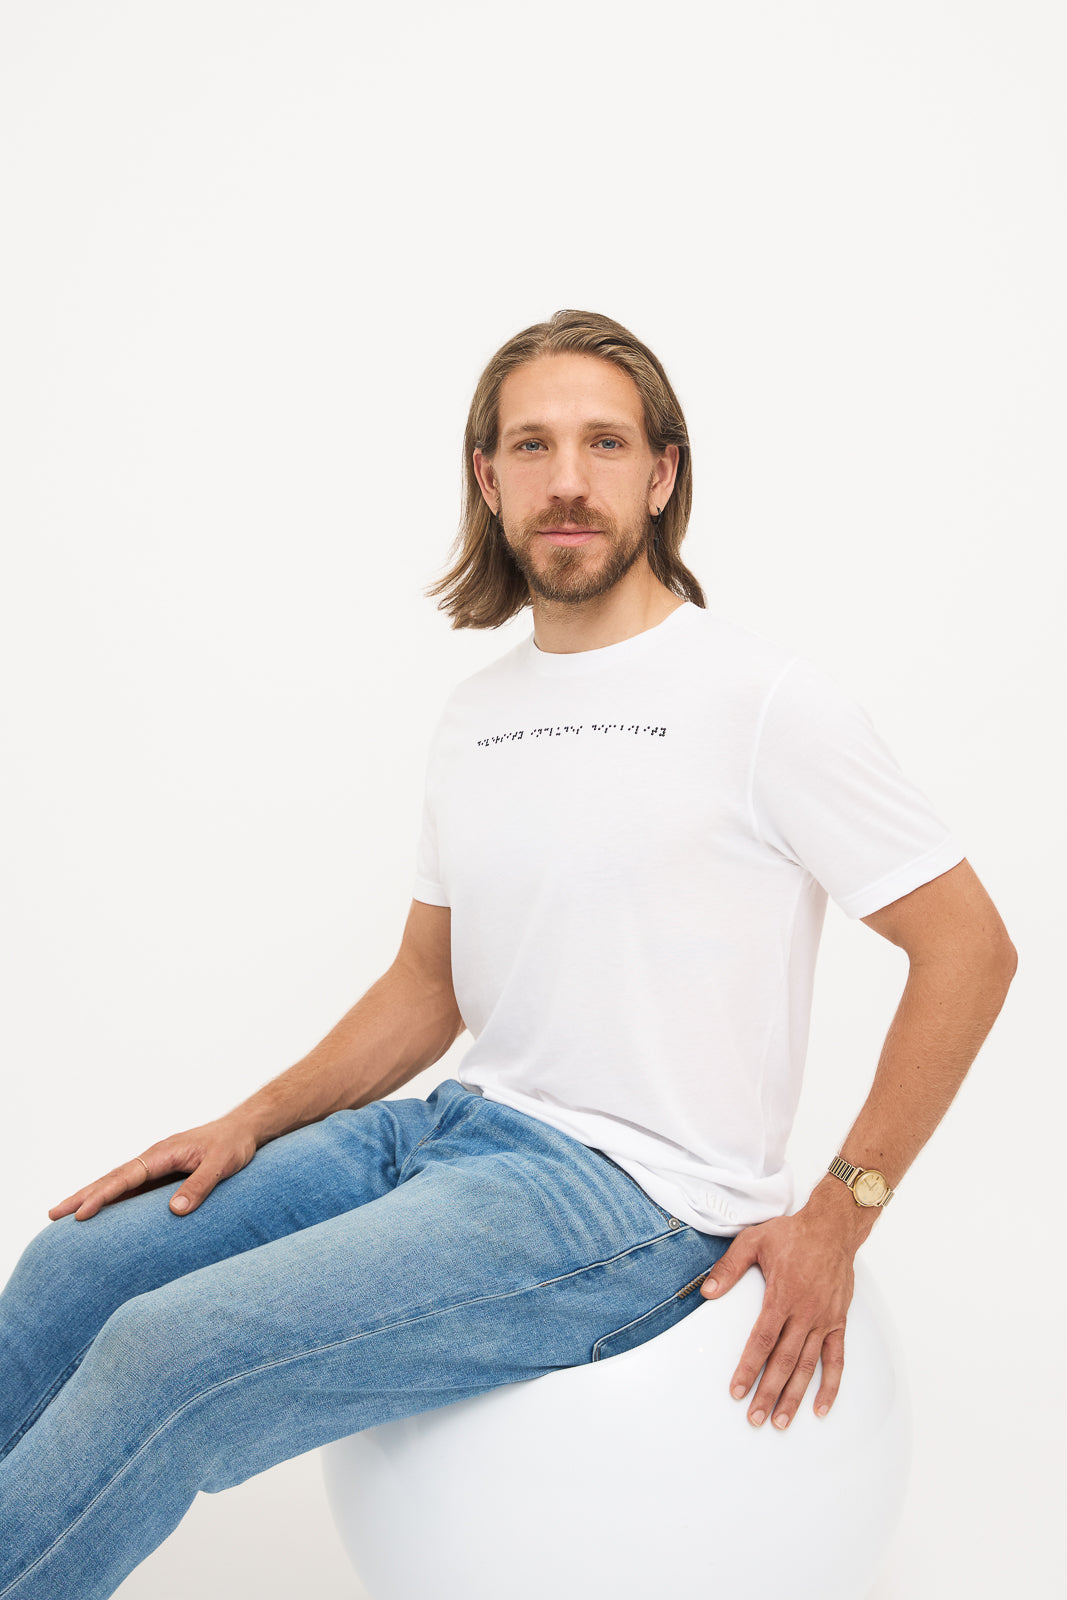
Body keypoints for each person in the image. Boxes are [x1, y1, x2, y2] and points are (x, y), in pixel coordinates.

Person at [0, 310, 1016, 1598]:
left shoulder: (763, 701)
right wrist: (246, 1120)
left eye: (604, 442)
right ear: (489, 480)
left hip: (624, 1200)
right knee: (75, 1268)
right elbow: (432, 989)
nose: (569, 479)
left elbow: (970, 948)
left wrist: (840, 1217)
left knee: (169, 1355)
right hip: (443, 1132)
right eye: (531, 447)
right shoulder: (479, 715)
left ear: (662, 474)